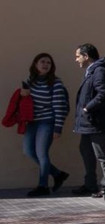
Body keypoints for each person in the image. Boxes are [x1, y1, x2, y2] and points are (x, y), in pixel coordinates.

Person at [20, 53, 70, 197]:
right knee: (28, 151)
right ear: (35, 64)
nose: (45, 65)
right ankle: (57, 174)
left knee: (42, 153)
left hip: (47, 122)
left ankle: (42, 186)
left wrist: (58, 128)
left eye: (48, 63)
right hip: (32, 122)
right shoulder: (30, 80)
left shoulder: (55, 82)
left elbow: (59, 107)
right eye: (42, 62)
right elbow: (25, 103)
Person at [71, 43, 105, 197]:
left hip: (97, 122)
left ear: (86, 56)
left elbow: (104, 94)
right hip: (88, 123)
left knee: (103, 155)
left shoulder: (100, 71)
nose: (76, 60)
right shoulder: (92, 71)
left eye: (78, 56)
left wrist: (88, 108)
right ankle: (90, 185)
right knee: (86, 152)